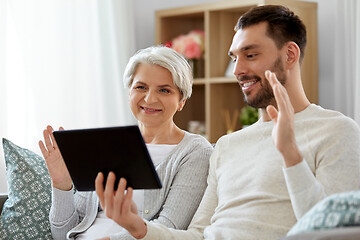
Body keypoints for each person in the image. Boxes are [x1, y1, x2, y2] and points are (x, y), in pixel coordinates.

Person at [94, 5, 360, 240]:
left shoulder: (336, 131)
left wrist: (291, 155)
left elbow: (332, 231)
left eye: (250, 55)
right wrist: (138, 228)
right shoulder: (227, 145)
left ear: (290, 55)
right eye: (234, 57)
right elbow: (198, 235)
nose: (237, 70)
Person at [38, 46, 213, 240]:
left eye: (164, 90)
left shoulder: (195, 152)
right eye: (141, 87)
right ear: (129, 91)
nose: (149, 98)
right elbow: (63, 235)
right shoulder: (103, 143)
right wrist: (61, 185)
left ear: (181, 100)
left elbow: (168, 228)